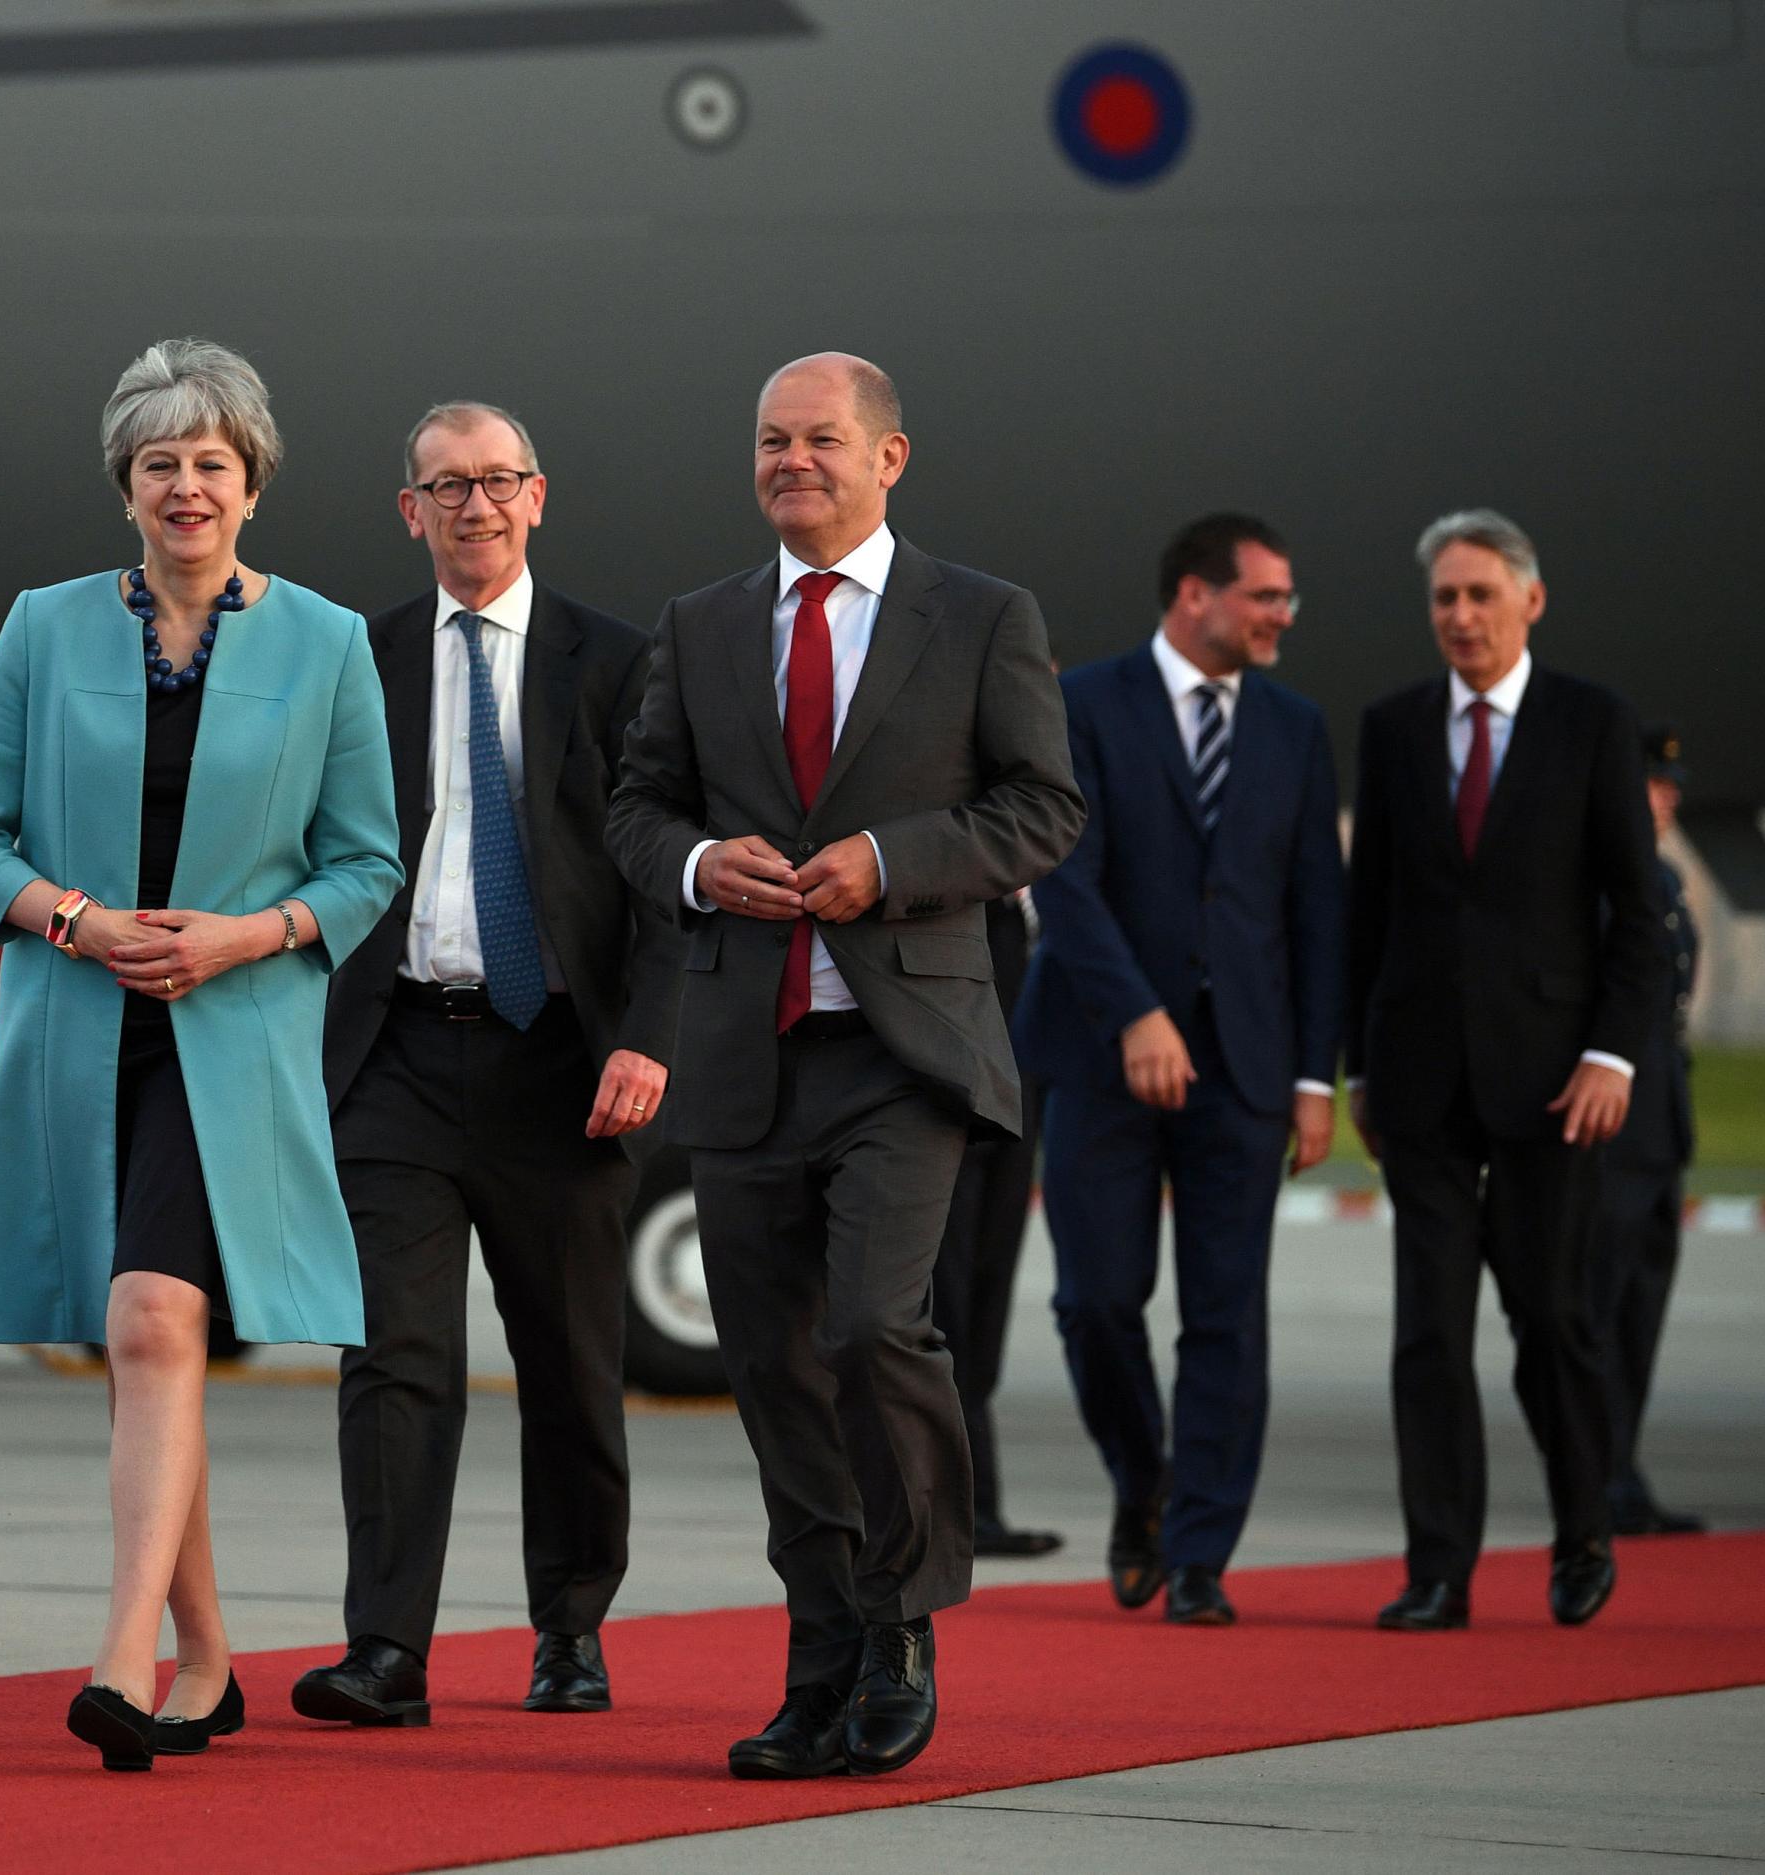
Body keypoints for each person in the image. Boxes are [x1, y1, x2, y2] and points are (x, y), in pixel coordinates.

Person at [0, 339, 401, 1772]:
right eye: (159, 463)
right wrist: (72, 918)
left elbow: (367, 858)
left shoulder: (326, 641)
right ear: (125, 485)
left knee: (148, 1318)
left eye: (211, 461)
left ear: (252, 479)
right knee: (154, 1341)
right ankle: (205, 1654)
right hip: (79, 1033)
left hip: (232, 1039)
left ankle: (121, 1654)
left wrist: (241, 938)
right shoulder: (43, 626)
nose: (186, 485)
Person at [606, 353, 1083, 1779]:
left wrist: (895, 860)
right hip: (748, 1051)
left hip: (906, 1043)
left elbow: (1044, 806)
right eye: (770, 439)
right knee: (770, 1368)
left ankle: (905, 1624)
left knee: (875, 1327)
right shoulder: (700, 627)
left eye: (820, 438)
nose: (790, 459)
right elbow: (636, 806)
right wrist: (697, 863)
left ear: (891, 457)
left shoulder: (983, 616)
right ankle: (821, 1651)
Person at [295, 403, 679, 1728]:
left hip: (556, 1055)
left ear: (539, 495)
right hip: (394, 1045)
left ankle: (570, 1626)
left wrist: (647, 1032)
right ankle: (386, 1646)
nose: (476, 505)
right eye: (446, 486)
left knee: (570, 1356)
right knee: (394, 1355)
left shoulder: (618, 663)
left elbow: (666, 882)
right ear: (410, 510)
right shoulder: (358, 660)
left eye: (499, 481)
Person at [1016, 513, 1345, 1625]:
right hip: (1101, 1054)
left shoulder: (1295, 730)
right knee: (1094, 1301)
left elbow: (1315, 913)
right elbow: (1064, 879)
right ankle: (1141, 1479)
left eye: (1284, 598)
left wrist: (1314, 1076)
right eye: (1265, 596)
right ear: (1194, 596)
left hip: (1247, 1068)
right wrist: (1138, 1016)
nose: (1281, 617)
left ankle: (1200, 1551)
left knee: (1226, 1317)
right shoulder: (1084, 705)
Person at [1346, 508, 1666, 1633]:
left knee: (1551, 1320)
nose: (1461, 616)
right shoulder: (1391, 731)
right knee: (1429, 1331)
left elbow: (1641, 913)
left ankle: (1583, 1531)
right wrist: (1354, 1071)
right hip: (1421, 1084)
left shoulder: (1591, 724)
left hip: (1552, 1085)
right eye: (1444, 598)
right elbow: (1367, 910)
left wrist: (1612, 1053)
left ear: (1530, 600)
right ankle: (1438, 1567)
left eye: (1481, 594)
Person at [1590, 724, 1706, 1535]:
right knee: (1597, 1314)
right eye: (1651, 786)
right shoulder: (1592, 883)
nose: (1666, 798)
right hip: (1609, 1137)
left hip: (1661, 1132)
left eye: (1670, 787)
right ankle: (1594, 1477)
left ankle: (1620, 1469)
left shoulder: (1660, 881)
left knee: (1638, 1318)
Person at [929, 888, 1062, 1558]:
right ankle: (952, 1510)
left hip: (1020, 1097)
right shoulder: (967, 886)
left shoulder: (1044, 892)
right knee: (944, 1308)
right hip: (945, 1096)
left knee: (985, 1304)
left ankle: (978, 1507)